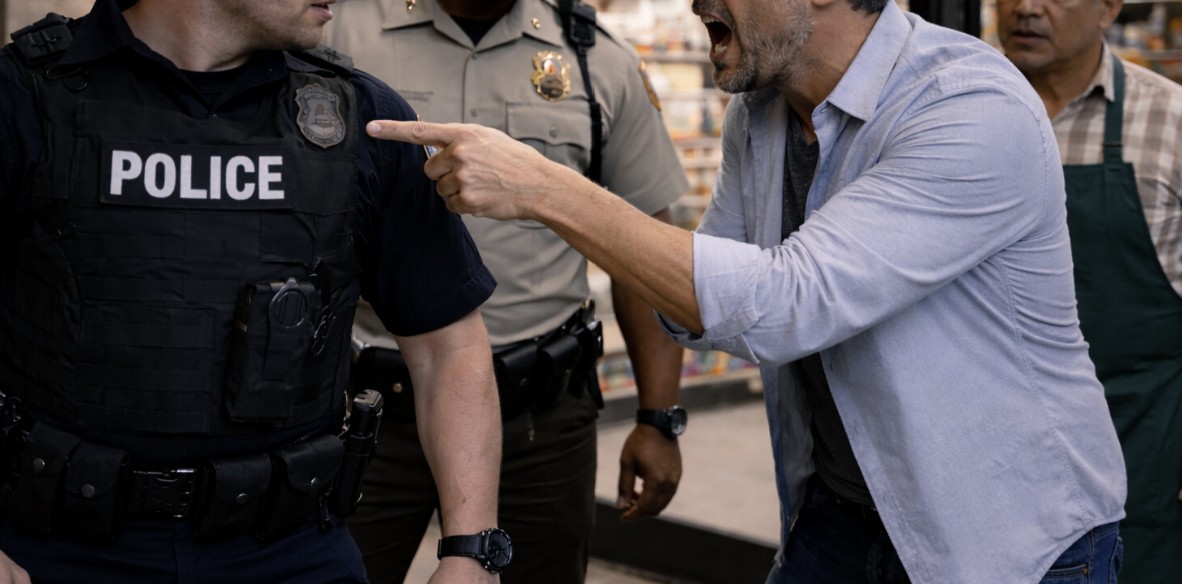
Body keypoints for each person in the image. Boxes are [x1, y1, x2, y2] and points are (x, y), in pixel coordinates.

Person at [365, 0, 1133, 581]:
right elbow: (709, 300)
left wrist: (546, 189)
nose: (697, 0)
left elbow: (780, 305)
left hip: (1005, 539)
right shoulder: (761, 112)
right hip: (839, 513)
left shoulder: (967, 106)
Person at [0, 0, 506, 582]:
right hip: (54, 546)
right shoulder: (23, 97)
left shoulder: (360, 118)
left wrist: (472, 550)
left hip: (288, 549)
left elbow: (448, 347)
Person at [324, 0, 689, 582]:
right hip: (367, 413)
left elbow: (646, 248)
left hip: (538, 419)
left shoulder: (594, 56)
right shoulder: (338, 31)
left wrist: (659, 416)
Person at [997, 0, 1182, 581]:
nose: (1026, 7)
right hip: (989, 468)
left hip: (1140, 461)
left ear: (1109, 8)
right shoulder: (958, 114)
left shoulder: (1170, 124)